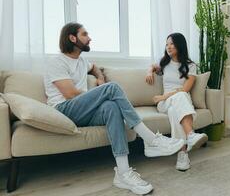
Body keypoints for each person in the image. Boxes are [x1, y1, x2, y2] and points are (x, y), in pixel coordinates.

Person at [44, 23, 185, 195]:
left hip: (83, 112)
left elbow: (94, 68)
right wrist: (101, 91)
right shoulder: (56, 61)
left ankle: (123, 173)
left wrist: (100, 78)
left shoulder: (82, 61)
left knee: (111, 107)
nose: (89, 38)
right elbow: (71, 94)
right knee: (112, 88)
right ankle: (150, 139)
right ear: (72, 38)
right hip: (65, 110)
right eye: (85, 34)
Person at [145, 33, 208, 171]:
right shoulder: (164, 63)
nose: (168, 47)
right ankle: (191, 135)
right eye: (167, 44)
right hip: (165, 104)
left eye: (172, 44)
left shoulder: (191, 66)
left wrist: (163, 96)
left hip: (180, 101)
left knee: (176, 107)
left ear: (180, 44)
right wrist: (150, 72)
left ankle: (182, 153)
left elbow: (185, 89)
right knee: (178, 99)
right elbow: (153, 66)